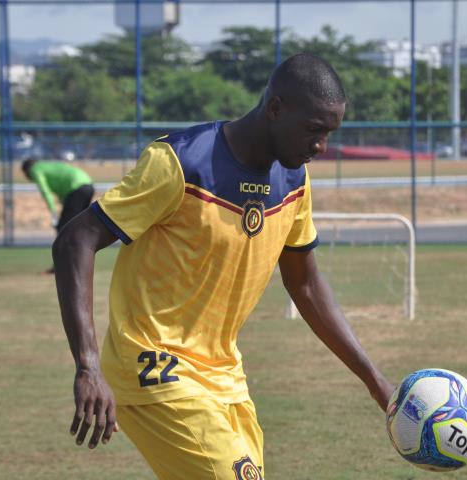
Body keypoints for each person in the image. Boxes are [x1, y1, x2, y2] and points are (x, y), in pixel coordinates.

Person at [52, 53, 394, 480]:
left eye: (329, 133)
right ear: (274, 108)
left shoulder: (294, 182)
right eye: (314, 130)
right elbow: (75, 240)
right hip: (155, 368)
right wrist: (87, 366)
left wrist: (375, 381)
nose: (321, 146)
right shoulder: (180, 163)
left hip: (225, 377)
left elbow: (305, 285)